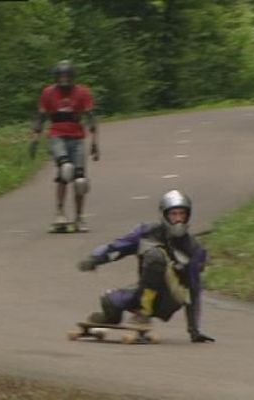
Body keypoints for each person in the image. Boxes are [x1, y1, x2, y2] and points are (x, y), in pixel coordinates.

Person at [77, 190, 215, 343]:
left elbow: (194, 289)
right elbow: (118, 246)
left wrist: (194, 329)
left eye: (182, 214)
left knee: (156, 256)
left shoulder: (194, 249)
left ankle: (144, 313)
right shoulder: (147, 232)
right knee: (109, 302)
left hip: (169, 298)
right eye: (174, 214)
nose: (178, 220)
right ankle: (103, 321)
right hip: (145, 289)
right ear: (164, 215)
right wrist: (95, 258)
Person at [29, 60, 99, 232]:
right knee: (65, 170)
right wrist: (34, 138)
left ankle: (79, 218)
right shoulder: (48, 93)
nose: (64, 79)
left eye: (67, 76)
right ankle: (60, 213)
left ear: (73, 77)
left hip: (76, 138)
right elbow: (41, 117)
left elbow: (91, 118)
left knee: (80, 180)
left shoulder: (82, 93)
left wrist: (95, 142)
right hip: (57, 136)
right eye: (61, 76)